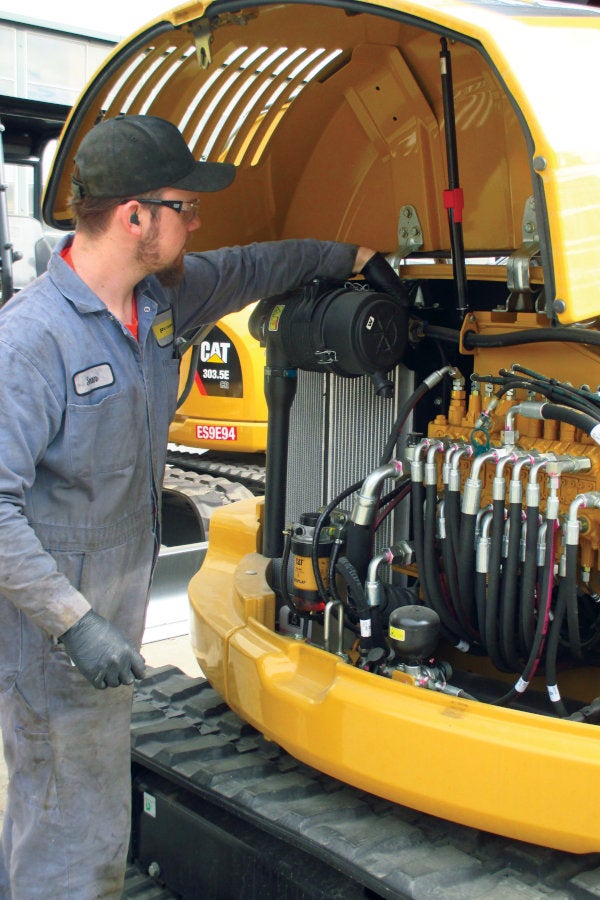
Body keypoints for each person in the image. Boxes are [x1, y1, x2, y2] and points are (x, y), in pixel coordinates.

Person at [0, 113, 407, 898]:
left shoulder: (157, 301)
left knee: (64, 810)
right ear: (135, 217)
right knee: (72, 830)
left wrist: (353, 259)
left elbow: (256, 266)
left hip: (106, 609)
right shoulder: (31, 342)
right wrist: (74, 623)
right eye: (184, 208)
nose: (195, 224)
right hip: (54, 634)